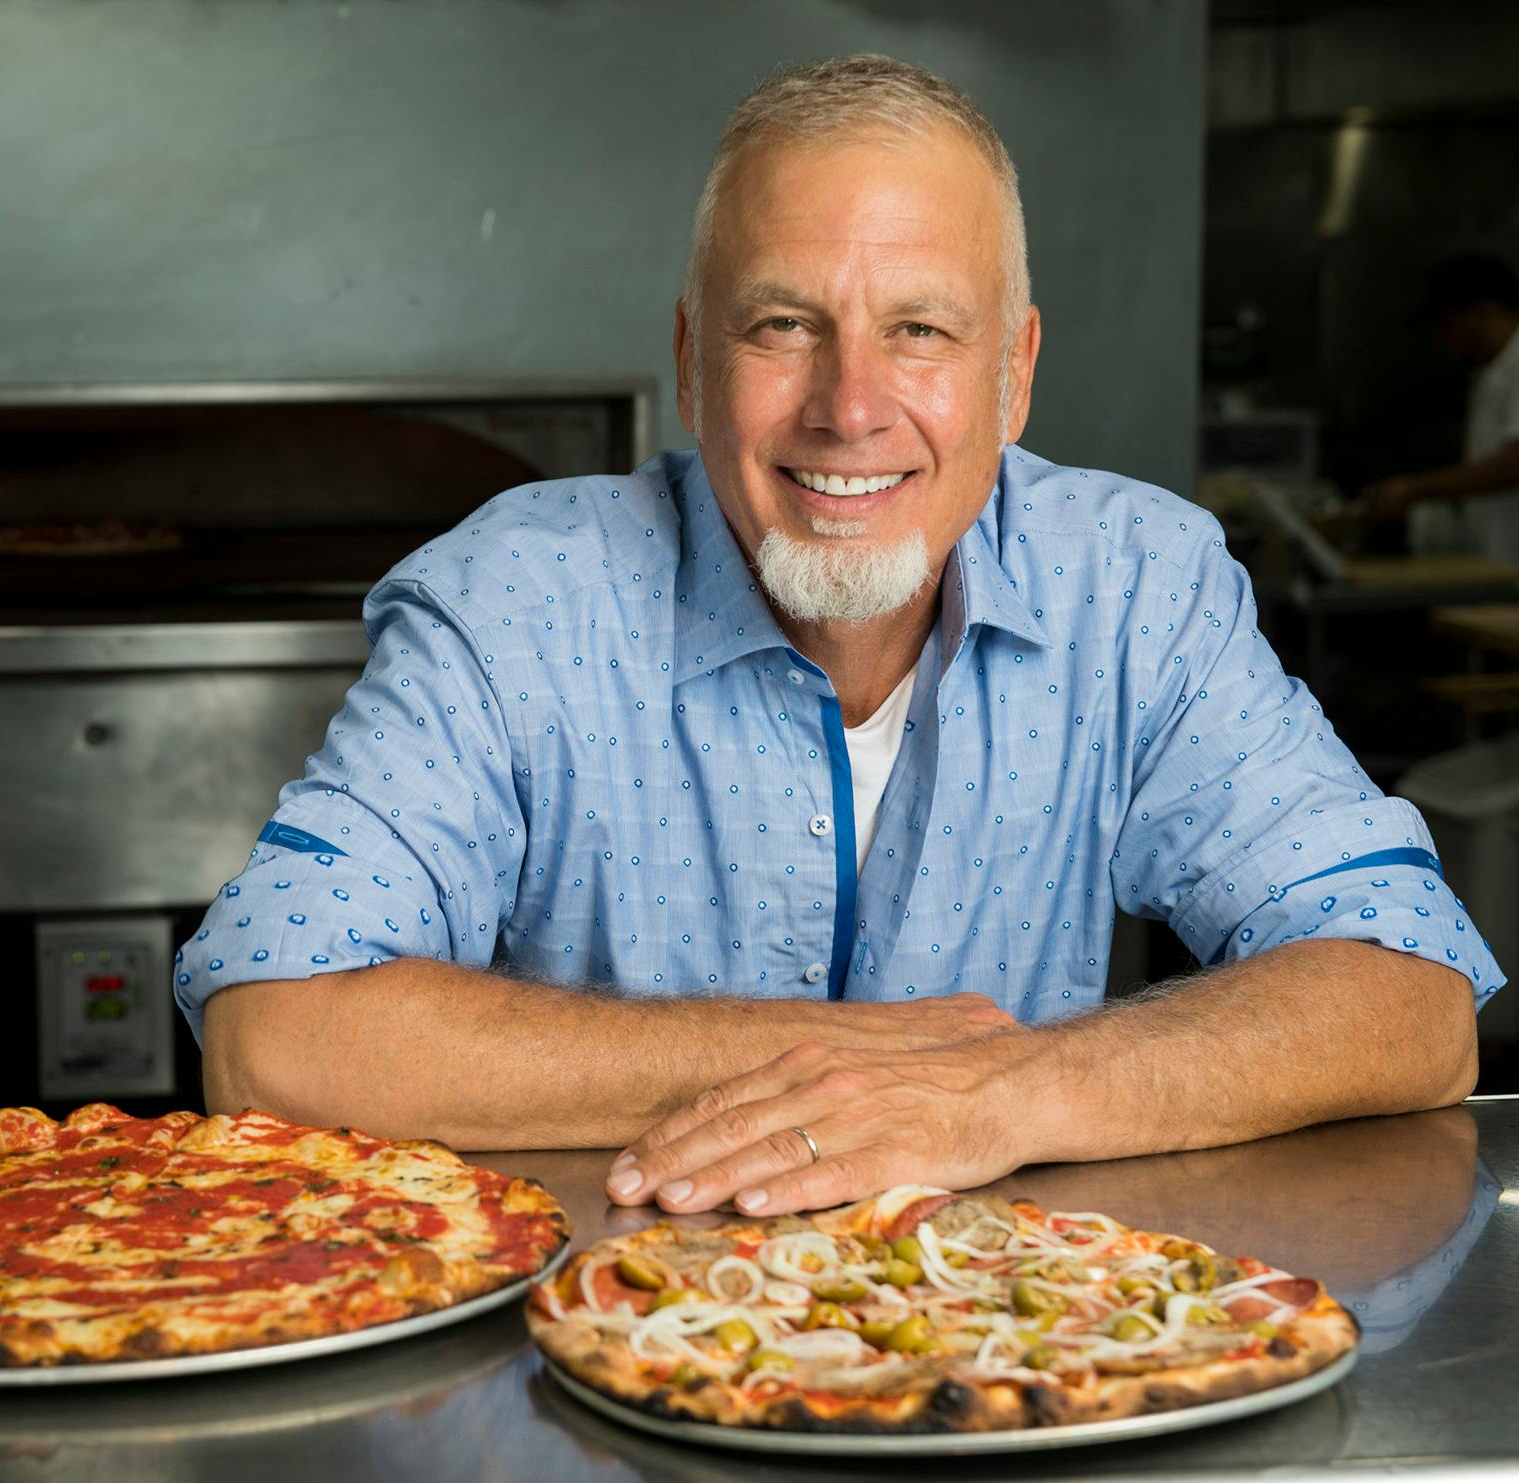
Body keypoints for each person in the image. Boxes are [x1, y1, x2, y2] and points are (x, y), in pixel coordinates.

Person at [175, 55, 1497, 1220]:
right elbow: (274, 1033)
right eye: (783, 325)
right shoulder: (512, 599)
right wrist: (850, 1059)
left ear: (1015, 372)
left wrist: (998, 1091)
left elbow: (1412, 991)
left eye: (919, 329)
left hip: (1013, 1376)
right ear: (693, 362)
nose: (848, 406)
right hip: (580, 1384)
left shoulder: (1136, 585)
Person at [1365, 254, 1519, 559]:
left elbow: (1513, 464)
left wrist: (1414, 490)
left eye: (1446, 327)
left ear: (1481, 312)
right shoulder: (1492, 373)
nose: (1441, 343)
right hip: (1495, 567)